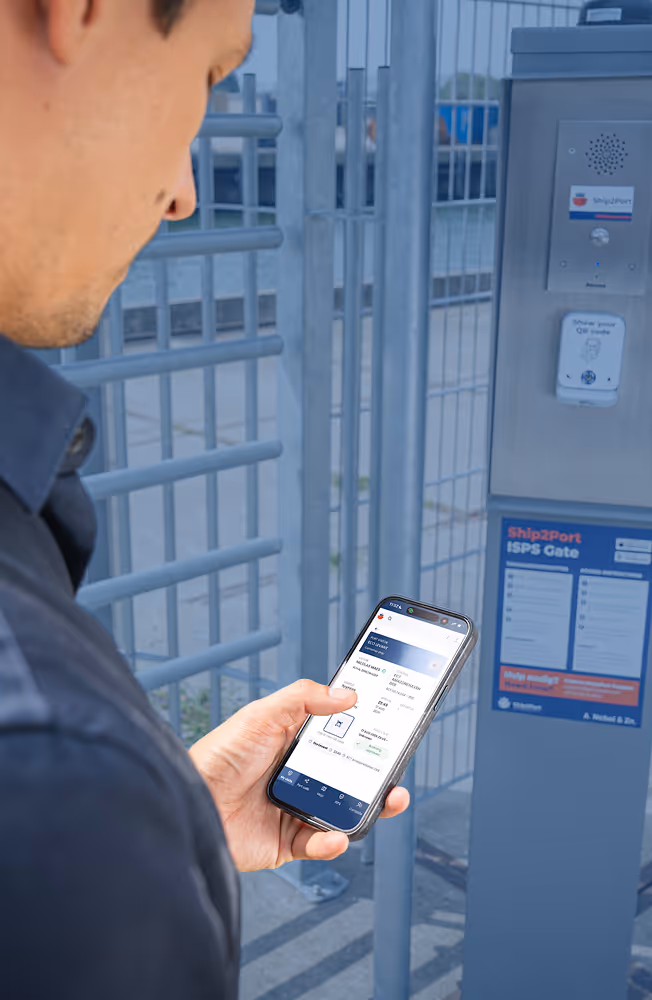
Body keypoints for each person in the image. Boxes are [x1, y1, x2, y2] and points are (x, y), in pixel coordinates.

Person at [0, 2, 409, 996]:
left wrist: (165, 825)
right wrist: (113, 839)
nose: (183, 192)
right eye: (209, 75)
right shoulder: (51, 770)